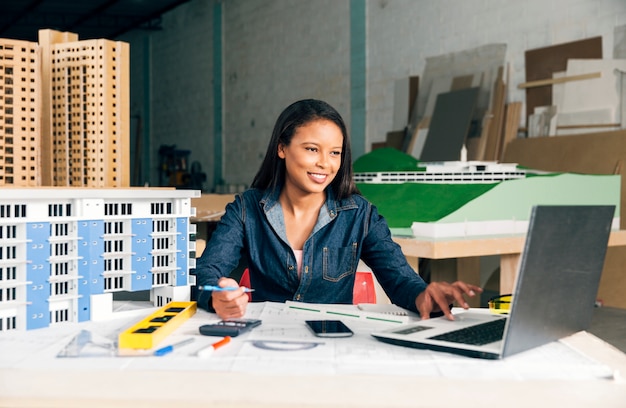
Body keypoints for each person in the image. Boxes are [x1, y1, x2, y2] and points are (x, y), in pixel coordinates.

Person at [195, 98, 481, 320]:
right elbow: (206, 272)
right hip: (266, 341)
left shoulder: (360, 214)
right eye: (311, 149)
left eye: (334, 153)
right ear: (282, 148)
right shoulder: (246, 210)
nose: (325, 163)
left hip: (332, 344)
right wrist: (218, 294)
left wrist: (424, 294)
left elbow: (400, 280)